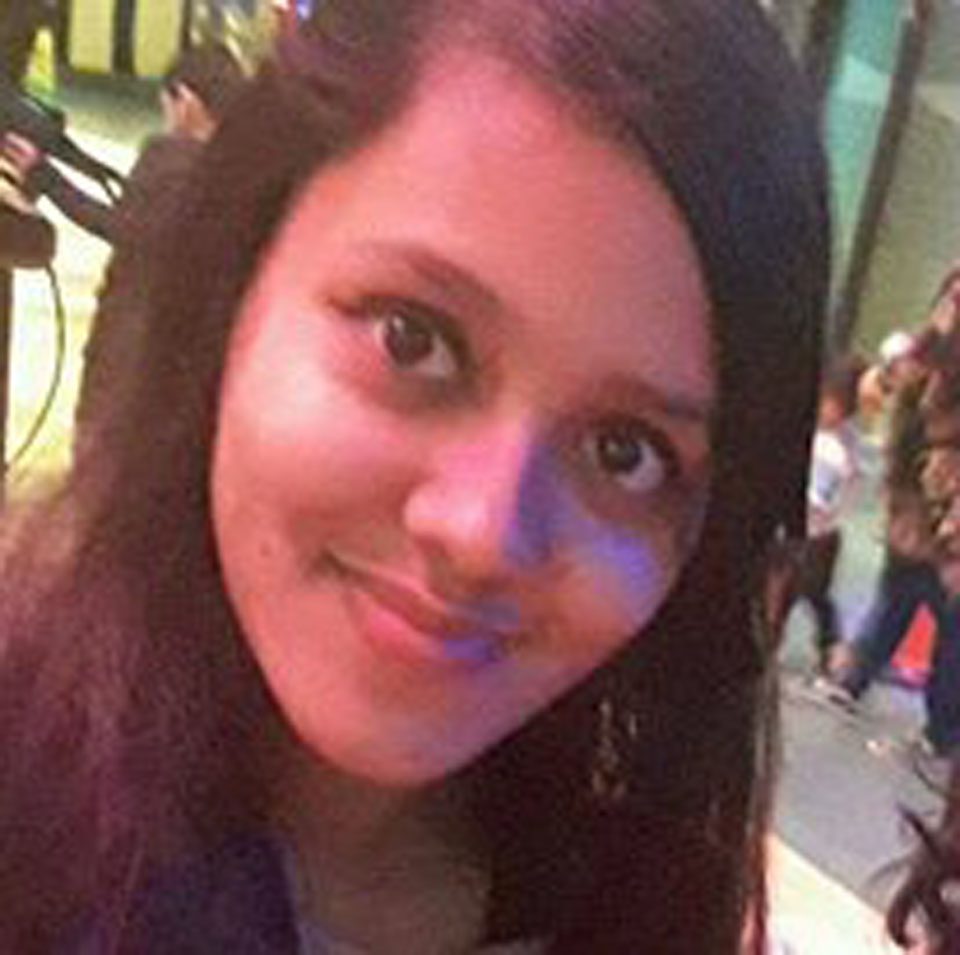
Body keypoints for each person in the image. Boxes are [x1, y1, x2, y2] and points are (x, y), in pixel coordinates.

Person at [0, 2, 829, 952]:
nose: (483, 531)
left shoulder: (623, 902)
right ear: (237, 280)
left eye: (623, 451)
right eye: (413, 338)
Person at [4, 41, 247, 456]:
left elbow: (118, 226)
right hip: (197, 355)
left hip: (131, 339)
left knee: (101, 449)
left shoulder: (170, 159)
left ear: (186, 100)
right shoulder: (241, 169)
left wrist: (44, 177)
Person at [778, 354, 866, 673]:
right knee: (782, 587)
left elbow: (848, 485)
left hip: (821, 533)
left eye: (834, 406)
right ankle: (768, 639)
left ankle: (830, 648)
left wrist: (831, 508)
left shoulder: (845, 443)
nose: (827, 411)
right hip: (796, 524)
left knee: (816, 594)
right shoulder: (807, 430)